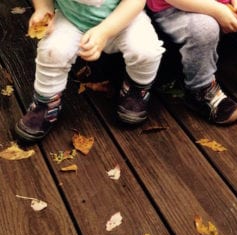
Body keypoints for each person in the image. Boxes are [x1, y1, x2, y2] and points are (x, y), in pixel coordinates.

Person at [16, 0, 165, 142]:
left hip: (124, 19)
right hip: (72, 18)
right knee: (52, 52)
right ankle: (46, 103)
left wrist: (104, 32)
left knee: (146, 51)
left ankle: (137, 90)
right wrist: (44, 8)